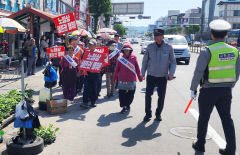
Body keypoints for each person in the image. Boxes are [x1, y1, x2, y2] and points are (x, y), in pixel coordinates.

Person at [190, 19, 240, 155]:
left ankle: (200, 145)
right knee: (227, 119)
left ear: (211, 34)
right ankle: (231, 149)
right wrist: (229, 85)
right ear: (226, 35)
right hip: (226, 91)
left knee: (204, 117)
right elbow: (236, 72)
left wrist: (193, 89)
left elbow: (198, 72)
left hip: (208, 90)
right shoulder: (235, 51)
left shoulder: (208, 51)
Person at [141, 28, 176, 122]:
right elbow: (145, 61)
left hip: (162, 76)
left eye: (157, 36)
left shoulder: (169, 47)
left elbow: (173, 62)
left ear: (162, 36)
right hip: (151, 75)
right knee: (148, 95)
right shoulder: (150, 47)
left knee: (161, 96)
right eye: (154, 36)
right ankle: (148, 114)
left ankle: (158, 114)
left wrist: (171, 73)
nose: (155, 37)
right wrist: (142, 73)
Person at [113, 42, 143, 113]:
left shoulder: (134, 57)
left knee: (131, 94)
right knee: (121, 94)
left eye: (128, 49)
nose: (126, 51)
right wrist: (114, 78)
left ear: (130, 50)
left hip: (131, 79)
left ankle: (128, 104)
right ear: (123, 50)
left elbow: (137, 68)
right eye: (125, 49)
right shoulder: (120, 58)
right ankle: (123, 106)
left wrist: (140, 77)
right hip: (122, 79)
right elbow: (116, 69)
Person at [81, 39, 100, 108]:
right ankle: (85, 102)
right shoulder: (86, 52)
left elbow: (103, 63)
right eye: (89, 44)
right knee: (86, 88)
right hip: (87, 74)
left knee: (94, 89)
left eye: (91, 45)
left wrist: (105, 59)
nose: (90, 46)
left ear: (95, 46)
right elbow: (82, 62)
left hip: (95, 74)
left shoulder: (99, 54)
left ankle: (93, 102)